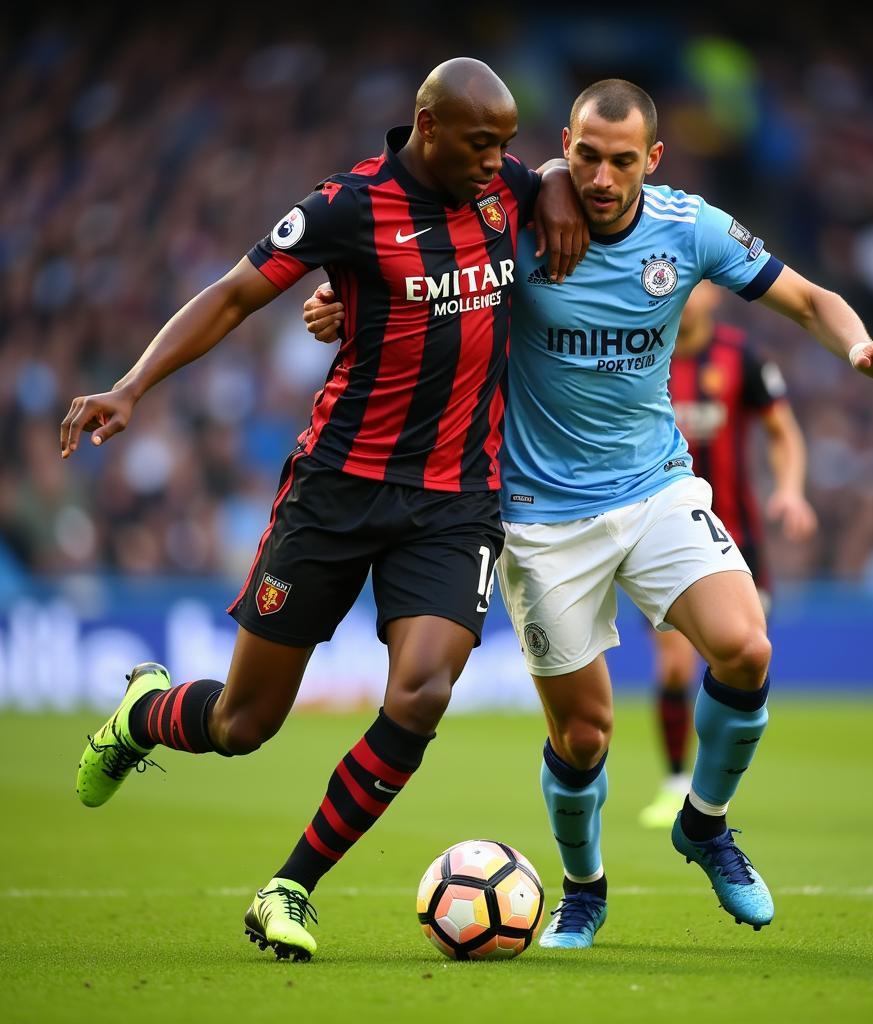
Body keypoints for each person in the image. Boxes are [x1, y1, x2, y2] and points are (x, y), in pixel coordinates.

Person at [303, 78, 873, 950]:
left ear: (654, 160)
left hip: (655, 489)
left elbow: (811, 298)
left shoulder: (691, 227)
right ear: (567, 144)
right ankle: (584, 890)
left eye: (622, 161)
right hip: (537, 515)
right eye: (586, 157)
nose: (600, 178)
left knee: (747, 649)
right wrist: (346, 303)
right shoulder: (516, 222)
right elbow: (419, 273)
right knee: (586, 735)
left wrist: (859, 343)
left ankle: (705, 824)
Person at [62, 57, 589, 963]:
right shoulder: (347, 207)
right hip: (336, 491)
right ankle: (145, 711)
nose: (499, 160)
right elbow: (233, 293)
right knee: (243, 724)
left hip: (456, 499)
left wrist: (555, 187)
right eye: (481, 143)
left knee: (421, 693)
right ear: (427, 127)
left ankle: (288, 887)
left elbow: (545, 173)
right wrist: (132, 385)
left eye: (507, 145)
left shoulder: (504, 186)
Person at [637, 280, 817, 829]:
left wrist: (790, 489)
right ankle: (674, 783)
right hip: (663, 535)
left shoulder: (742, 356)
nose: (685, 299)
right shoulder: (643, 349)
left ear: (713, 295)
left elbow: (782, 431)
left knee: (741, 657)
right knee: (672, 662)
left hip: (737, 537)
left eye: (696, 289)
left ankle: (712, 788)